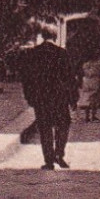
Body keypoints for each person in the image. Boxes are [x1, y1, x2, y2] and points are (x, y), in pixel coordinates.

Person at [14, 25, 78, 170]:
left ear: (42, 36)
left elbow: (27, 78)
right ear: (55, 36)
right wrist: (73, 98)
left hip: (41, 97)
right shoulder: (62, 53)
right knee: (63, 125)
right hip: (59, 97)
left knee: (45, 128)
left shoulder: (32, 54)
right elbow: (70, 78)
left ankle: (49, 160)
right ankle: (59, 154)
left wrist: (29, 96)